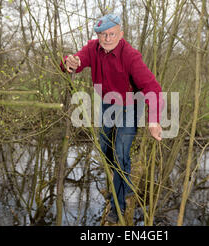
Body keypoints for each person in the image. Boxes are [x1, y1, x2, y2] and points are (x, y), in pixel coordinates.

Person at [61, 13, 163, 224]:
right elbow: (74, 63)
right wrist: (69, 62)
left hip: (130, 106)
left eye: (111, 34)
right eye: (102, 34)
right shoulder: (93, 48)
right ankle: (122, 185)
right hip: (108, 103)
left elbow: (152, 88)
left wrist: (153, 120)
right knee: (105, 149)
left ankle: (118, 206)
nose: (107, 38)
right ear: (98, 35)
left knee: (120, 154)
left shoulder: (131, 56)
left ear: (120, 34)